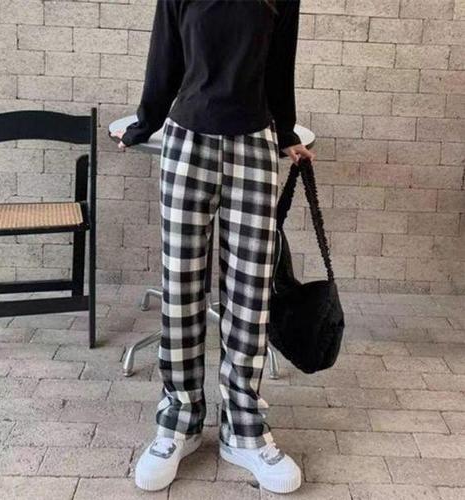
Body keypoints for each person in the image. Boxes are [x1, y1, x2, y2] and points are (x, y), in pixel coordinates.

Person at [111, 0, 315, 494]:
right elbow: (165, 57)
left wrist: (286, 132)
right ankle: (179, 419)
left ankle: (243, 427)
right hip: (187, 140)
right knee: (180, 285)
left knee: (250, 291)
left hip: (255, 145)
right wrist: (144, 122)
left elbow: (280, 67)